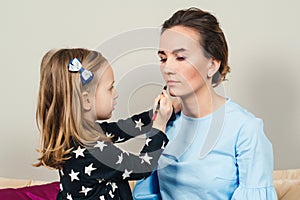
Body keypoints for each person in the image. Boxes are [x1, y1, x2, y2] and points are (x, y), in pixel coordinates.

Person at [133, 7, 277, 199]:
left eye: (181, 57)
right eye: (163, 58)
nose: (167, 68)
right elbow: (146, 194)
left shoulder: (245, 130)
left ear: (212, 65)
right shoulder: (163, 123)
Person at [34, 48, 174, 199]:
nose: (116, 94)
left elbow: (125, 128)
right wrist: (159, 127)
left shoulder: (80, 134)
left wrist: (155, 112)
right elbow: (142, 166)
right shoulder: (94, 152)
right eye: (110, 88)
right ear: (86, 100)